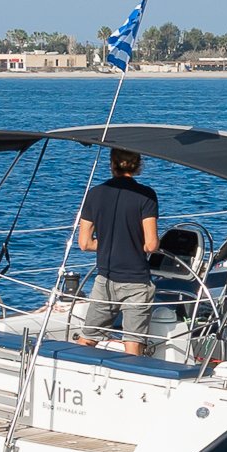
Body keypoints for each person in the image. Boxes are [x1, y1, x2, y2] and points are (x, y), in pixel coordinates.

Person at [77, 147, 160, 353]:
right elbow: (151, 245)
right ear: (139, 165)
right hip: (136, 280)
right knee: (133, 341)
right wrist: (130, 244)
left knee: (88, 337)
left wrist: (108, 243)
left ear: (111, 164)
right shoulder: (146, 195)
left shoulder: (94, 194)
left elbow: (85, 243)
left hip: (105, 279)